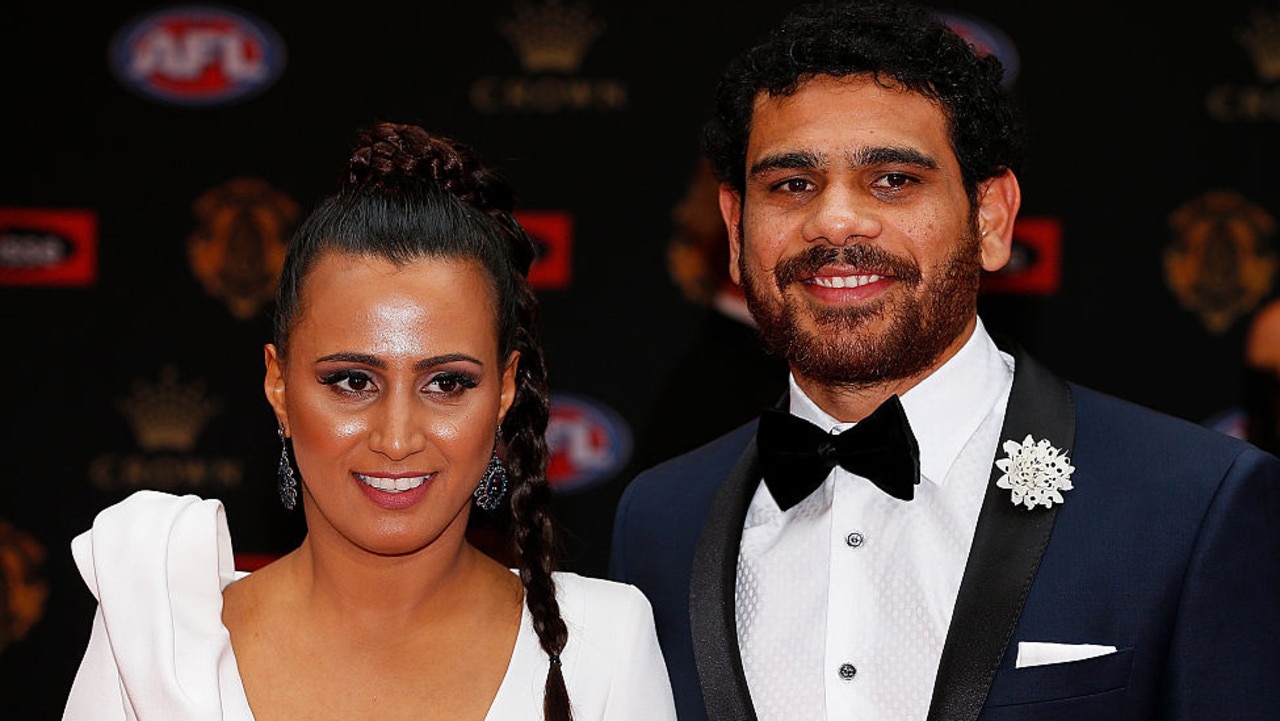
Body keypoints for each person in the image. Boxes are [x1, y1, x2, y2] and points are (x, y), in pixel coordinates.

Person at [608, 3, 1280, 721]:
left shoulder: (1192, 502)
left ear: (991, 218)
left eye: (894, 179)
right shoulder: (659, 520)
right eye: (792, 185)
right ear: (738, 230)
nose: (834, 220)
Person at [64, 122, 677, 721]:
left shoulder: (606, 645)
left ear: (504, 392)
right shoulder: (153, 639)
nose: (397, 438)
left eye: (446, 383)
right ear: (278, 385)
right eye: (353, 382)